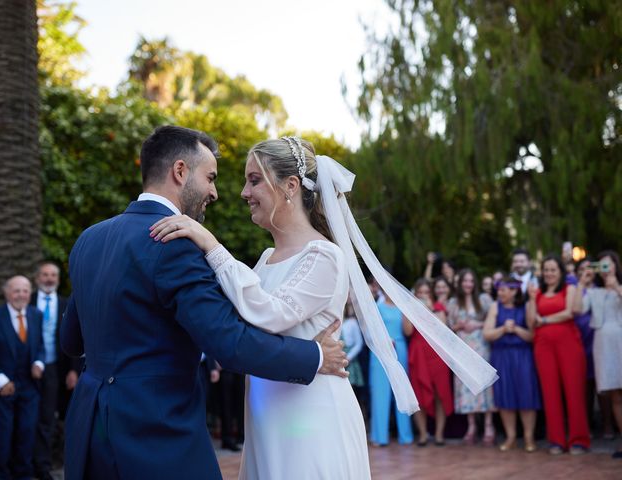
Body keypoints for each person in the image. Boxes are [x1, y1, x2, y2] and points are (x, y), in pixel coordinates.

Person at [151, 136, 497, 477]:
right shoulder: (265, 259)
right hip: (266, 413)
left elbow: (269, 313)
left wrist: (211, 244)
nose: (243, 192)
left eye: (254, 180)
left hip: (309, 414)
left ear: (290, 186)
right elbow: (235, 320)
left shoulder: (324, 255)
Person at [60, 126, 349, 480]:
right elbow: (228, 341)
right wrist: (315, 356)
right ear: (180, 172)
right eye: (210, 177)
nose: (215, 191)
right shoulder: (174, 241)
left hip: (90, 429)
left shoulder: (90, 239)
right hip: (155, 433)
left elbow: (70, 340)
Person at [0, 276, 45, 479]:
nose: (21, 295)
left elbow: (41, 347)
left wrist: (38, 363)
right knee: (2, 437)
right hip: (1, 391)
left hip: (29, 388)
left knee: (26, 435)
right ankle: (0, 476)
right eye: (16, 290)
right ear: (7, 293)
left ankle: (24, 475)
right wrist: (0, 380)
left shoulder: (36, 315)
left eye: (25, 290)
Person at [527, 254, 590, 455]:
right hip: (543, 346)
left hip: (569, 345)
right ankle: (556, 440)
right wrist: (530, 299)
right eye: (546, 270)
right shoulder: (537, 294)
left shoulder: (568, 288)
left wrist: (544, 320)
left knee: (574, 391)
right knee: (550, 392)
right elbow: (530, 322)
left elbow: (570, 312)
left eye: (553, 269)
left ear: (560, 272)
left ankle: (578, 439)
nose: (549, 273)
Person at [30, 261, 81, 480]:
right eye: (45, 274)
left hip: (61, 368)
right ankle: (39, 466)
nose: (49, 278)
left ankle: (63, 463)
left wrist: (74, 370)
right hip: (31, 369)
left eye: (53, 275)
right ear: (37, 278)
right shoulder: (27, 302)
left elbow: (78, 337)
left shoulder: (66, 303)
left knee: (62, 419)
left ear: (58, 279)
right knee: (39, 418)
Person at [573, 250, 622, 459]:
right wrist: (581, 284)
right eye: (600, 265)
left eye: (607, 265)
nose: (604, 269)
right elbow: (576, 309)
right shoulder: (594, 293)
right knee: (614, 395)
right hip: (603, 345)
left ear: (615, 266)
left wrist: (617, 288)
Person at [483, 276, 540, 452]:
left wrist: (515, 329)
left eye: (503, 289)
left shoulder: (526, 307)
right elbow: (487, 333)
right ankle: (511, 437)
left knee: (526, 395)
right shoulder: (495, 307)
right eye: (499, 289)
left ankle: (529, 437)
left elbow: (532, 335)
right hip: (501, 356)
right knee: (505, 395)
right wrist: (503, 329)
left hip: (523, 356)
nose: (499, 293)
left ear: (514, 291)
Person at [448, 269, 495, 444]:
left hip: (481, 345)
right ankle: (472, 425)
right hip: (462, 348)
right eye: (465, 281)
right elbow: (448, 328)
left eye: (470, 281)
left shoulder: (484, 299)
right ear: (460, 283)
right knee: (466, 385)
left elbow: (493, 319)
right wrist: (458, 326)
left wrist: (478, 324)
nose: (468, 284)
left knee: (484, 383)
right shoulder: (453, 302)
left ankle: (489, 424)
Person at [409, 279, 452, 446]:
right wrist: (411, 310)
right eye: (420, 293)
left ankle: (439, 434)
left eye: (427, 292)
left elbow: (442, 328)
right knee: (419, 392)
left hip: (437, 354)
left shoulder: (438, 308)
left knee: (440, 393)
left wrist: (430, 309)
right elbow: (407, 331)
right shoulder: (411, 309)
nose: (424, 295)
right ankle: (423, 434)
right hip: (418, 352)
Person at [369, 292, 414, 446]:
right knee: (380, 393)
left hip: (400, 350)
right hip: (381, 351)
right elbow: (370, 330)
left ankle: (405, 436)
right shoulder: (377, 307)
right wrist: (384, 341)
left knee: (402, 390)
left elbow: (409, 331)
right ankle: (379, 437)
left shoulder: (402, 307)